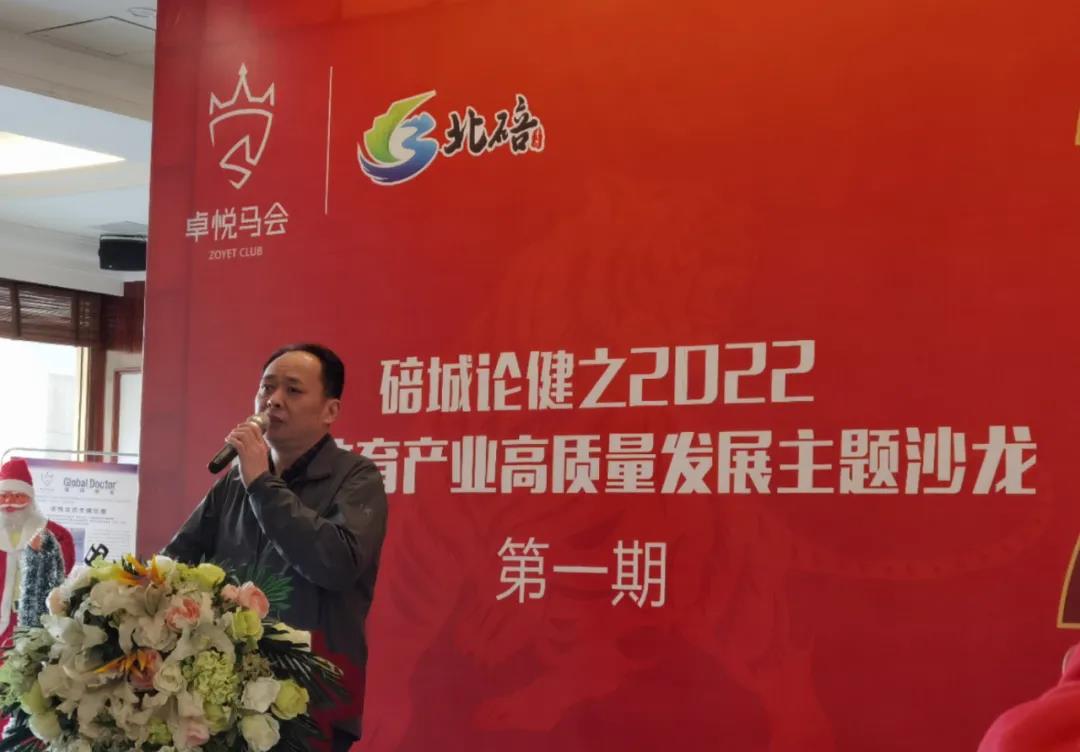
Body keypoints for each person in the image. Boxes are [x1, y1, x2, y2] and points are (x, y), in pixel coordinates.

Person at [163, 344, 388, 752]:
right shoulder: (237, 482)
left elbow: (336, 563)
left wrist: (263, 486)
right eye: (267, 388)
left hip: (308, 702)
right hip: (223, 697)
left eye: (293, 390)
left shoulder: (357, 477)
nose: (273, 401)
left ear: (330, 410)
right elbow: (175, 563)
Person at [0, 457, 75, 645]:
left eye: (18, 496)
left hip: (36, 622)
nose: (9, 503)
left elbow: (60, 574)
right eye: (4, 496)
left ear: (30, 498)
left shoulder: (56, 535)